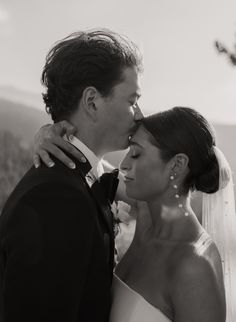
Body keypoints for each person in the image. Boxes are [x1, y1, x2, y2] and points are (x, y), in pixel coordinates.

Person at [33, 107, 236, 322]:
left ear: (177, 165)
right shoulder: (148, 211)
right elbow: (92, 166)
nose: (124, 164)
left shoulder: (195, 267)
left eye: (136, 154)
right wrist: (47, 135)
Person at [0, 29, 143, 322]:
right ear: (91, 102)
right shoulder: (57, 197)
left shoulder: (82, 178)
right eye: (132, 100)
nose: (139, 115)